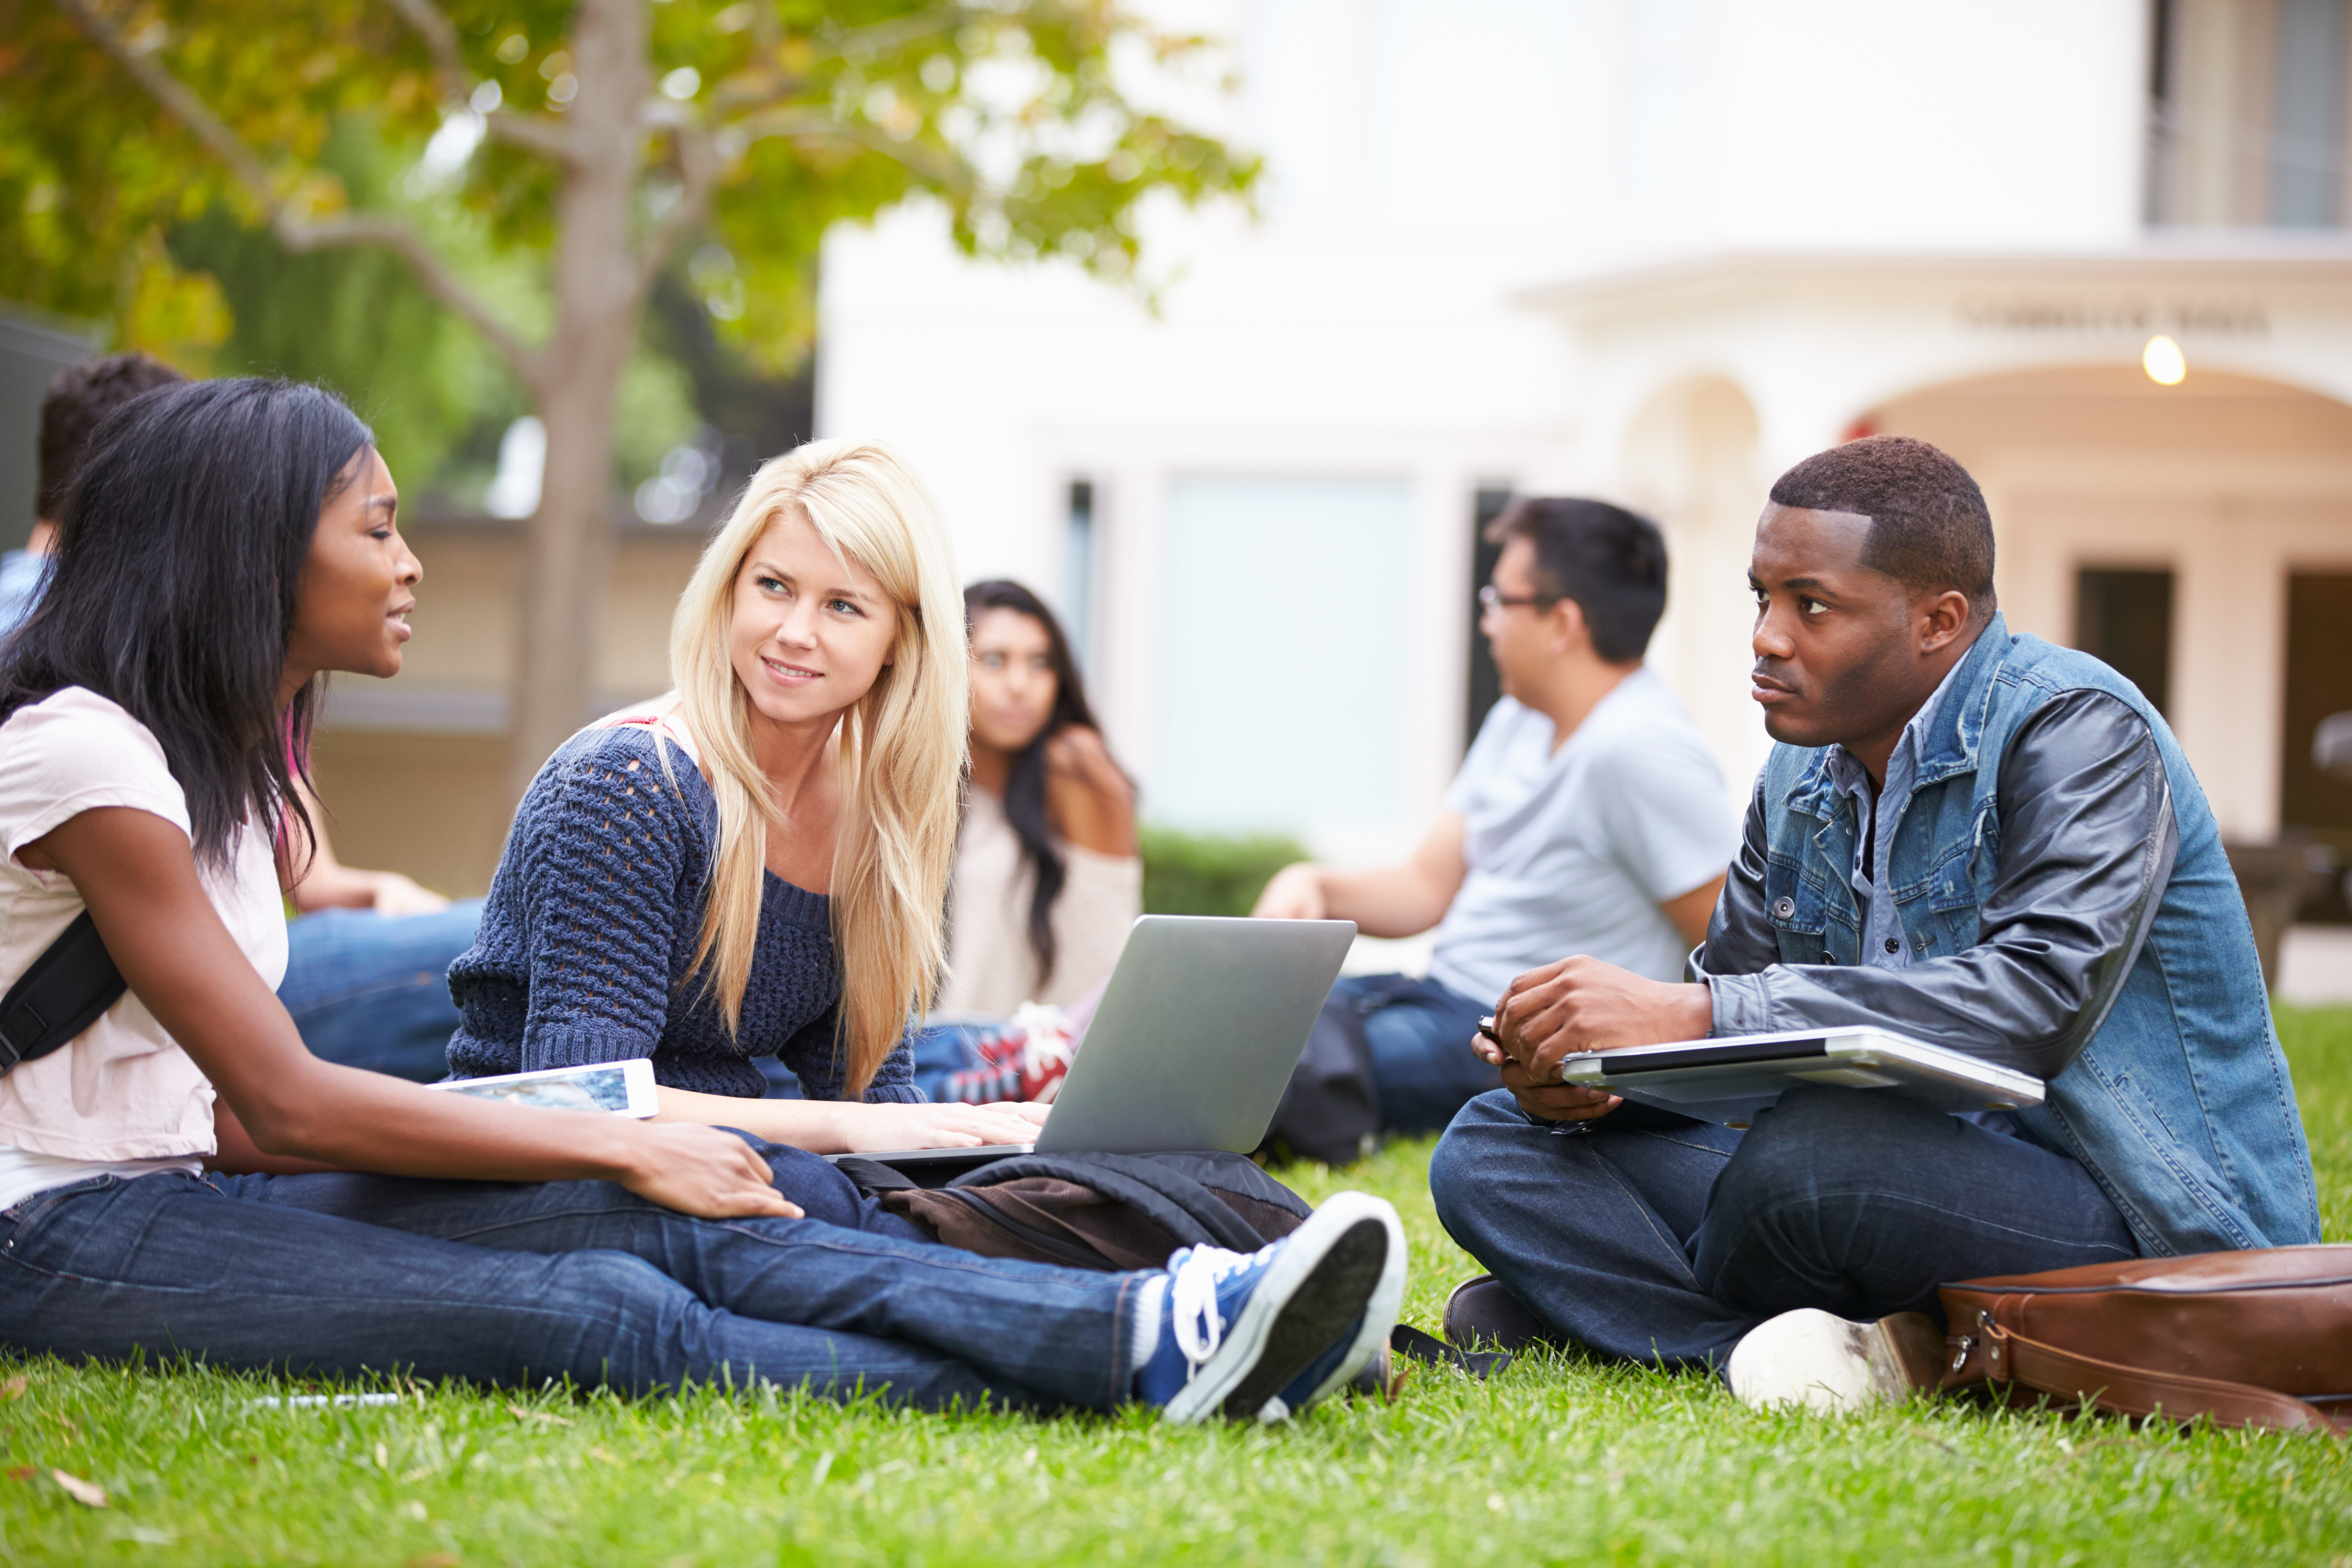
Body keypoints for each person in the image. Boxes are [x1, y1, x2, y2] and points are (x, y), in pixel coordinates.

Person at [0, 376, 1402, 1421]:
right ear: (255, 551)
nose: (413, 560)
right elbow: (296, 1102)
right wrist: (619, 1144)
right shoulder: (89, 756)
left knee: (762, 1215)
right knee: (619, 1302)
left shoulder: (234, 777)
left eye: (846, 606)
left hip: (197, 1185)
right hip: (50, 1225)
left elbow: (238, 1124)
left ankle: (1195, 1321)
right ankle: (1144, 1346)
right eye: (380, 528)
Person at [1429, 436, 2321, 1412]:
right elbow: (1731, 1049)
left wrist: (1690, 1015)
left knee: (1814, 1160)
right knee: (1493, 1147)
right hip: (1884, 1174)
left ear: (1938, 621)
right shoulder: (1797, 774)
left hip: (2131, 1215)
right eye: (1760, 598)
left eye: (1810, 605)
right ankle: (1787, 1353)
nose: (1768, 637)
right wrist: (1588, 1076)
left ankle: (1616, 1311)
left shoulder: (2078, 731)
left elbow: (2033, 1003)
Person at [446, 445, 1066, 1153]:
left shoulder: (875, 814)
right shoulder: (627, 785)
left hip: (726, 1163)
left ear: (902, 639)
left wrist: (977, 1157)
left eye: (842, 606)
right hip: (540, 1180)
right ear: (732, 588)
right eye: (774, 586)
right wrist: (843, 1127)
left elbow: (871, 1094)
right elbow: (586, 1101)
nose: (796, 633)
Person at [9, 351, 476, 1082]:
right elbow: (280, 1095)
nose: (410, 565)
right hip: (72, 1145)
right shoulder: (86, 720)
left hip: (176, 1080)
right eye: (379, 531)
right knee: (514, 945)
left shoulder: (232, 721)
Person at [1253, 498, 1739, 1138]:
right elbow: (1427, 886)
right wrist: (1316, 883)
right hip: (1427, 994)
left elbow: (1730, 954)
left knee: (1265, 1067)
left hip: (1503, 1033)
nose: (1487, 624)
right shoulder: (1519, 719)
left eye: (1497, 601)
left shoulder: (1641, 749)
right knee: (1242, 1019)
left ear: (1562, 623)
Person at [896, 581, 1141, 1105]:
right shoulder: (923, 791)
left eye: (1040, 664)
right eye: (994, 660)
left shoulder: (1074, 764)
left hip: (1044, 1054)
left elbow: (1107, 950)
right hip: (941, 1051)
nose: (1020, 685)